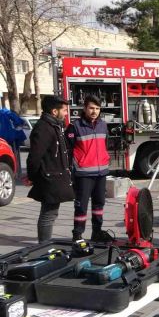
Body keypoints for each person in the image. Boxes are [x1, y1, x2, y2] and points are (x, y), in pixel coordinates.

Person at [26, 96, 74, 243]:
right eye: (64, 110)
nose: (66, 113)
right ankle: (43, 247)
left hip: (55, 177)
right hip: (49, 178)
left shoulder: (54, 125)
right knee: (48, 215)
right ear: (54, 111)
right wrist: (33, 177)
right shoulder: (44, 128)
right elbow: (35, 156)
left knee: (51, 214)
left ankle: (45, 245)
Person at [66, 95, 114, 242]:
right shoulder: (75, 126)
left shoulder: (103, 125)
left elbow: (104, 146)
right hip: (83, 173)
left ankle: (97, 232)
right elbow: (68, 150)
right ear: (85, 108)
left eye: (97, 108)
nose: (94, 111)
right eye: (91, 108)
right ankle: (77, 234)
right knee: (81, 205)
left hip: (101, 172)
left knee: (99, 204)